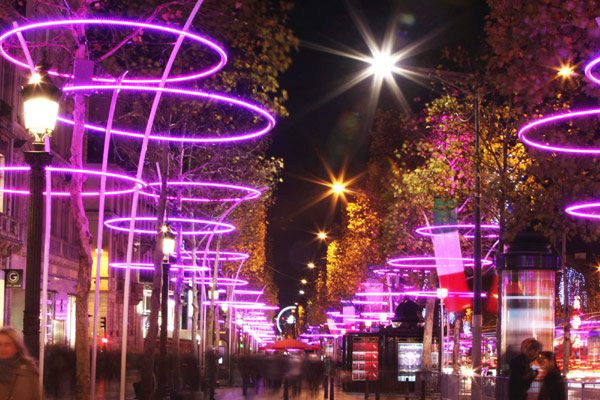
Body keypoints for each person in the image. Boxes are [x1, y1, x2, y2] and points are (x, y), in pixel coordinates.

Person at [0, 327, 40, 400]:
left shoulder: (28, 373)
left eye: (7, 345)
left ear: (16, 347)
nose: (2, 349)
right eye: (0, 344)